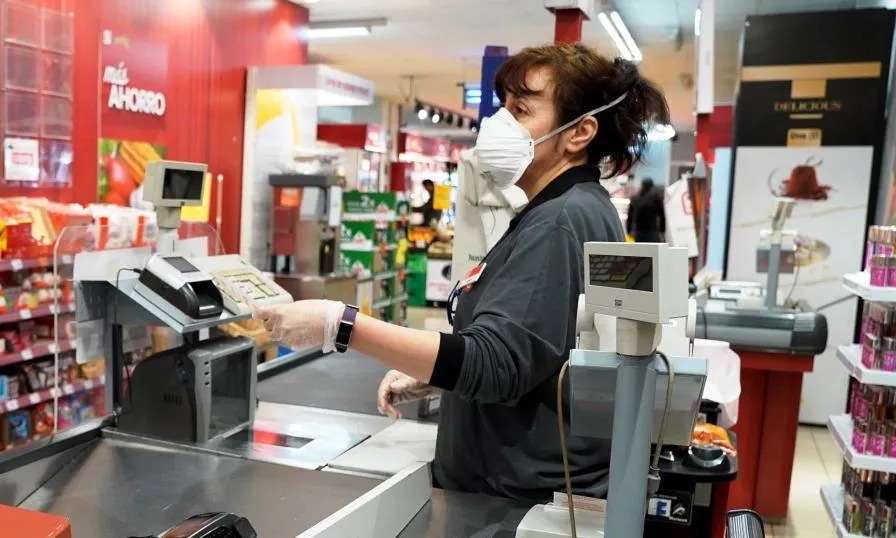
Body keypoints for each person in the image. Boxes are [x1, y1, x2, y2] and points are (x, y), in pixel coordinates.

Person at [257, 43, 670, 502]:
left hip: (512, 501)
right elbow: (539, 349)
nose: (499, 124)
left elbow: (495, 364)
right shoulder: (571, 209)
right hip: (519, 484)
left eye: (522, 109)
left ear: (579, 133)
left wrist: (340, 324)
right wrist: (438, 375)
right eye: (502, 108)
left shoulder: (559, 220)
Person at [626, 177, 666, 242]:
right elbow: (662, 215)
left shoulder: (635, 198)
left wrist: (628, 231)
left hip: (638, 232)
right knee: (652, 251)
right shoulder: (656, 198)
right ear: (652, 186)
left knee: (639, 251)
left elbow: (630, 216)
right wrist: (662, 231)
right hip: (652, 231)